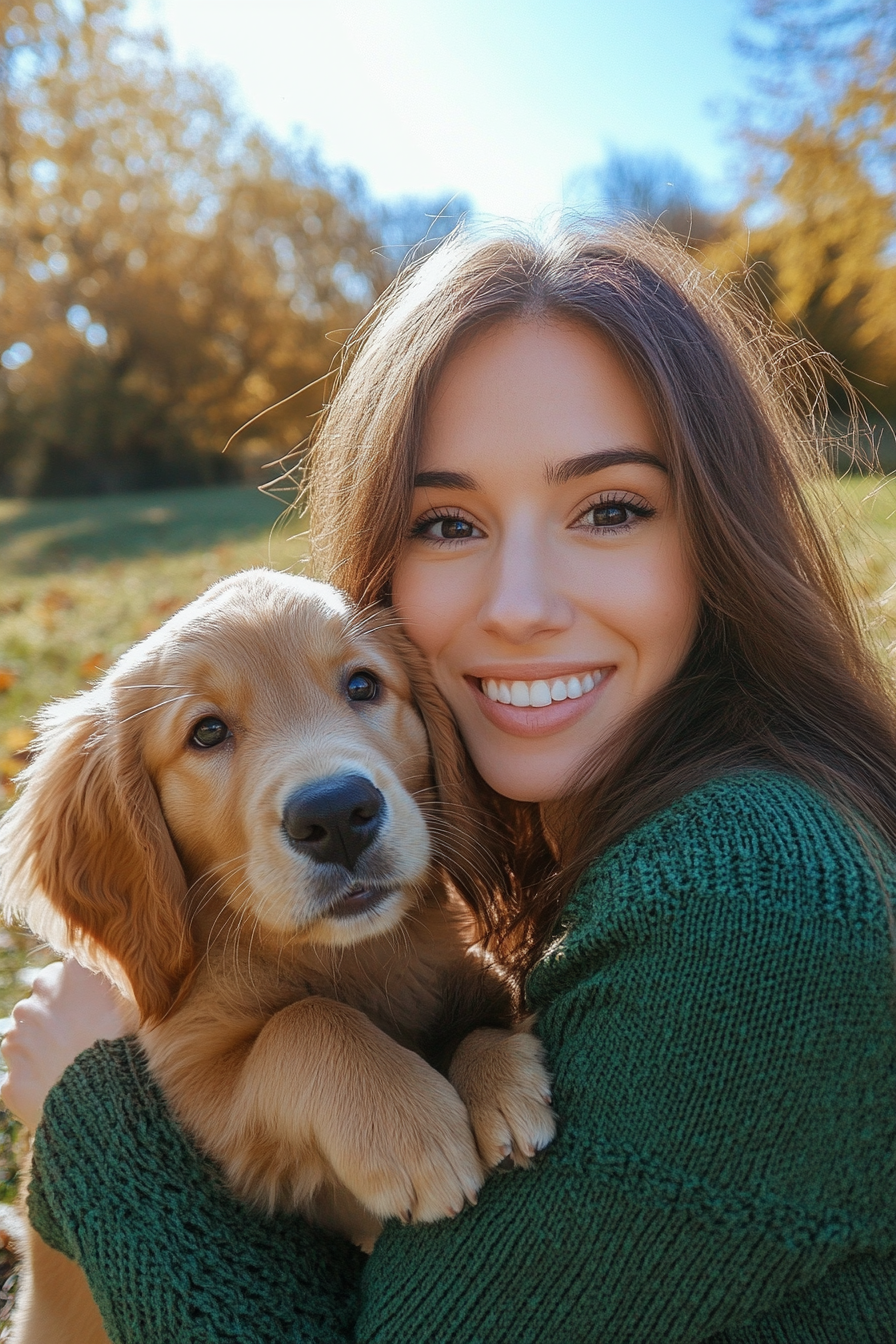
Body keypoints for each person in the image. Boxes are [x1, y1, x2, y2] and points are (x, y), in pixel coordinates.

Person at [3, 224, 896, 1343]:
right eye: (448, 522)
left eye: (609, 507)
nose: (520, 603)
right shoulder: (597, 858)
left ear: (720, 533)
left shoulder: (752, 920)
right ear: (382, 558)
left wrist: (98, 1109)